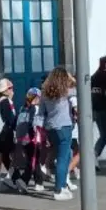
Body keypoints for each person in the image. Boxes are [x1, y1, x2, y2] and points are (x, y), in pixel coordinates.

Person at [40, 67, 76, 200]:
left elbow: (41, 113)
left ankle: (63, 185)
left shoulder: (45, 93)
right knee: (63, 158)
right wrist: (70, 77)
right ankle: (59, 189)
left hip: (50, 127)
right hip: (64, 126)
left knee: (63, 157)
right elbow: (76, 85)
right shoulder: (67, 92)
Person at [11, 87, 46, 192]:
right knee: (33, 161)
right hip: (33, 138)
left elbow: (15, 124)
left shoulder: (22, 108)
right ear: (37, 98)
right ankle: (23, 180)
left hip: (23, 139)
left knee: (33, 160)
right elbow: (34, 124)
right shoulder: (35, 109)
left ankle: (38, 182)